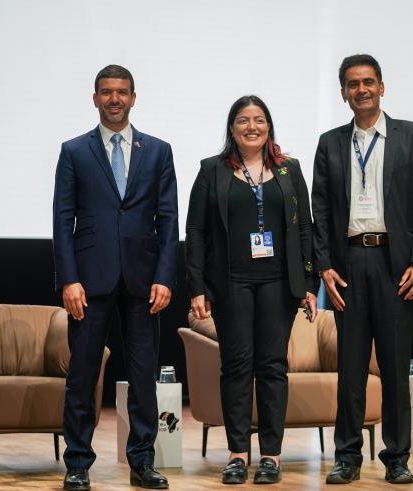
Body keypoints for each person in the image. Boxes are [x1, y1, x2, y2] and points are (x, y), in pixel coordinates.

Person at [311, 54, 413, 485]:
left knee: (393, 368)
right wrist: (324, 266)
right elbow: (321, 211)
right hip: (348, 264)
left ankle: (397, 457)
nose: (361, 89)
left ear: (382, 87)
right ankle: (347, 456)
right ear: (343, 92)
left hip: (396, 265)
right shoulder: (329, 142)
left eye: (368, 82)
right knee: (349, 371)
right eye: (352, 84)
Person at [53, 64, 178, 490]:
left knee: (143, 376)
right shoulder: (74, 151)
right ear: (95, 98)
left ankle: (143, 462)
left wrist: (165, 276)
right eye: (106, 92)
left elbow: (169, 220)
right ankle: (78, 464)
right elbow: (62, 219)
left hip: (145, 284)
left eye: (122, 92)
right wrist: (68, 279)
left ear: (133, 97)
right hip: (89, 283)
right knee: (83, 376)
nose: (114, 99)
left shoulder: (158, 151)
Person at [186, 95, 318, 485]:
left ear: (269, 126)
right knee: (237, 366)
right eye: (243, 120)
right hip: (231, 283)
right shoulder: (212, 170)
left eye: (259, 120)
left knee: (273, 366)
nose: (252, 127)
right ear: (231, 128)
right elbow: (195, 231)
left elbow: (305, 229)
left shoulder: (289, 170)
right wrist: (197, 285)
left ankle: (272, 456)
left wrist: (309, 284)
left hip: (280, 282)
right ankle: (238, 453)